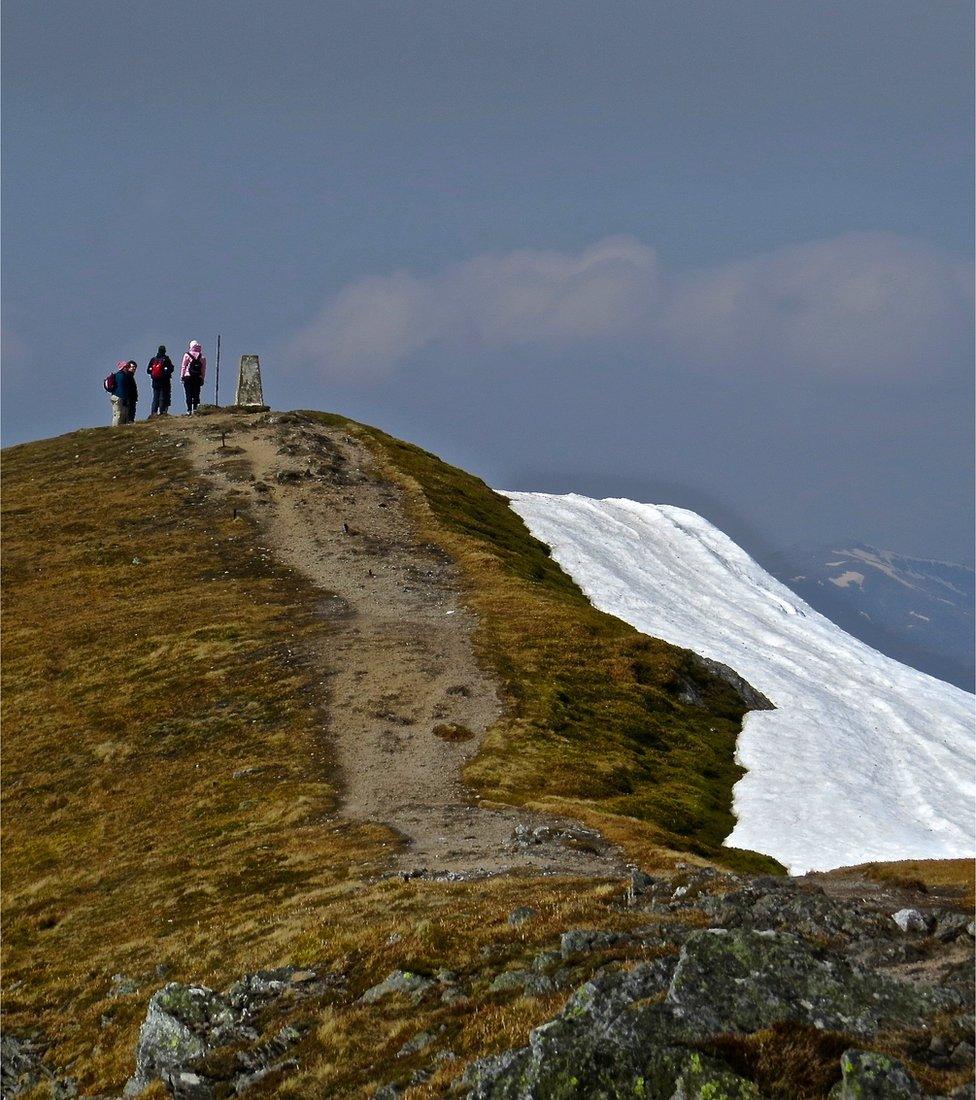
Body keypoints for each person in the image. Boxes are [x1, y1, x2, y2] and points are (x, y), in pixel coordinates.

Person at [146, 345, 175, 417]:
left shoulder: (153, 359)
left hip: (155, 382)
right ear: (165, 351)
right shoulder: (166, 359)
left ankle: (153, 413)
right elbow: (171, 369)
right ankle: (162, 413)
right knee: (162, 397)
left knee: (155, 397)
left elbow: (148, 371)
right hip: (165, 382)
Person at [180, 340, 206, 415]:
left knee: (188, 394)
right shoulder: (202, 357)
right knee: (196, 394)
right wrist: (202, 378)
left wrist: (182, 376)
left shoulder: (187, 355)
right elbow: (203, 369)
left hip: (188, 377)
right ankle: (195, 409)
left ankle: (189, 410)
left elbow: (183, 366)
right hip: (197, 377)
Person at [108, 360, 132, 427]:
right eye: (126, 367)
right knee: (119, 413)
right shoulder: (122, 376)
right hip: (119, 397)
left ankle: (115, 427)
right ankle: (116, 427)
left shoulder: (117, 375)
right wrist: (124, 398)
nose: (127, 368)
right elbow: (122, 388)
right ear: (123, 368)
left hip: (114, 396)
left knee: (116, 413)